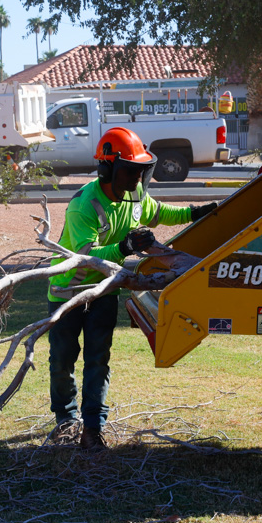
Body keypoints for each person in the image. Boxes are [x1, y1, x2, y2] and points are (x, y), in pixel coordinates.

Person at [47, 127, 218, 450]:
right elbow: (84, 257)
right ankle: (66, 420)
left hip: (106, 291)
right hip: (67, 294)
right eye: (129, 171)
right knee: (62, 361)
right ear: (107, 169)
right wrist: (124, 247)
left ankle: (93, 428)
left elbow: (159, 213)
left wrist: (195, 213)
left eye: (140, 171)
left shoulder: (135, 195)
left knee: (98, 359)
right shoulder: (84, 206)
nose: (136, 179)